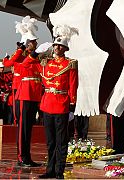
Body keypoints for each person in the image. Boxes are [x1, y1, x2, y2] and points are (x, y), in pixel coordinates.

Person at [38, 25, 78, 179]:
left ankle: (59, 170)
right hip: (47, 103)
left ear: (65, 49)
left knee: (61, 141)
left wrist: (72, 104)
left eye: (60, 46)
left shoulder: (70, 64)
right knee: (50, 141)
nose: (57, 48)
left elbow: (73, 85)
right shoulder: (46, 63)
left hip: (61, 104)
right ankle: (49, 170)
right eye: (55, 45)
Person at [15, 48, 43, 167]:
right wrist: (33, 53)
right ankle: (22, 157)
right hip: (25, 95)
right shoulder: (24, 61)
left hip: (34, 96)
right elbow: (25, 63)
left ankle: (27, 157)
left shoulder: (37, 63)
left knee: (29, 128)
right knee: (23, 128)